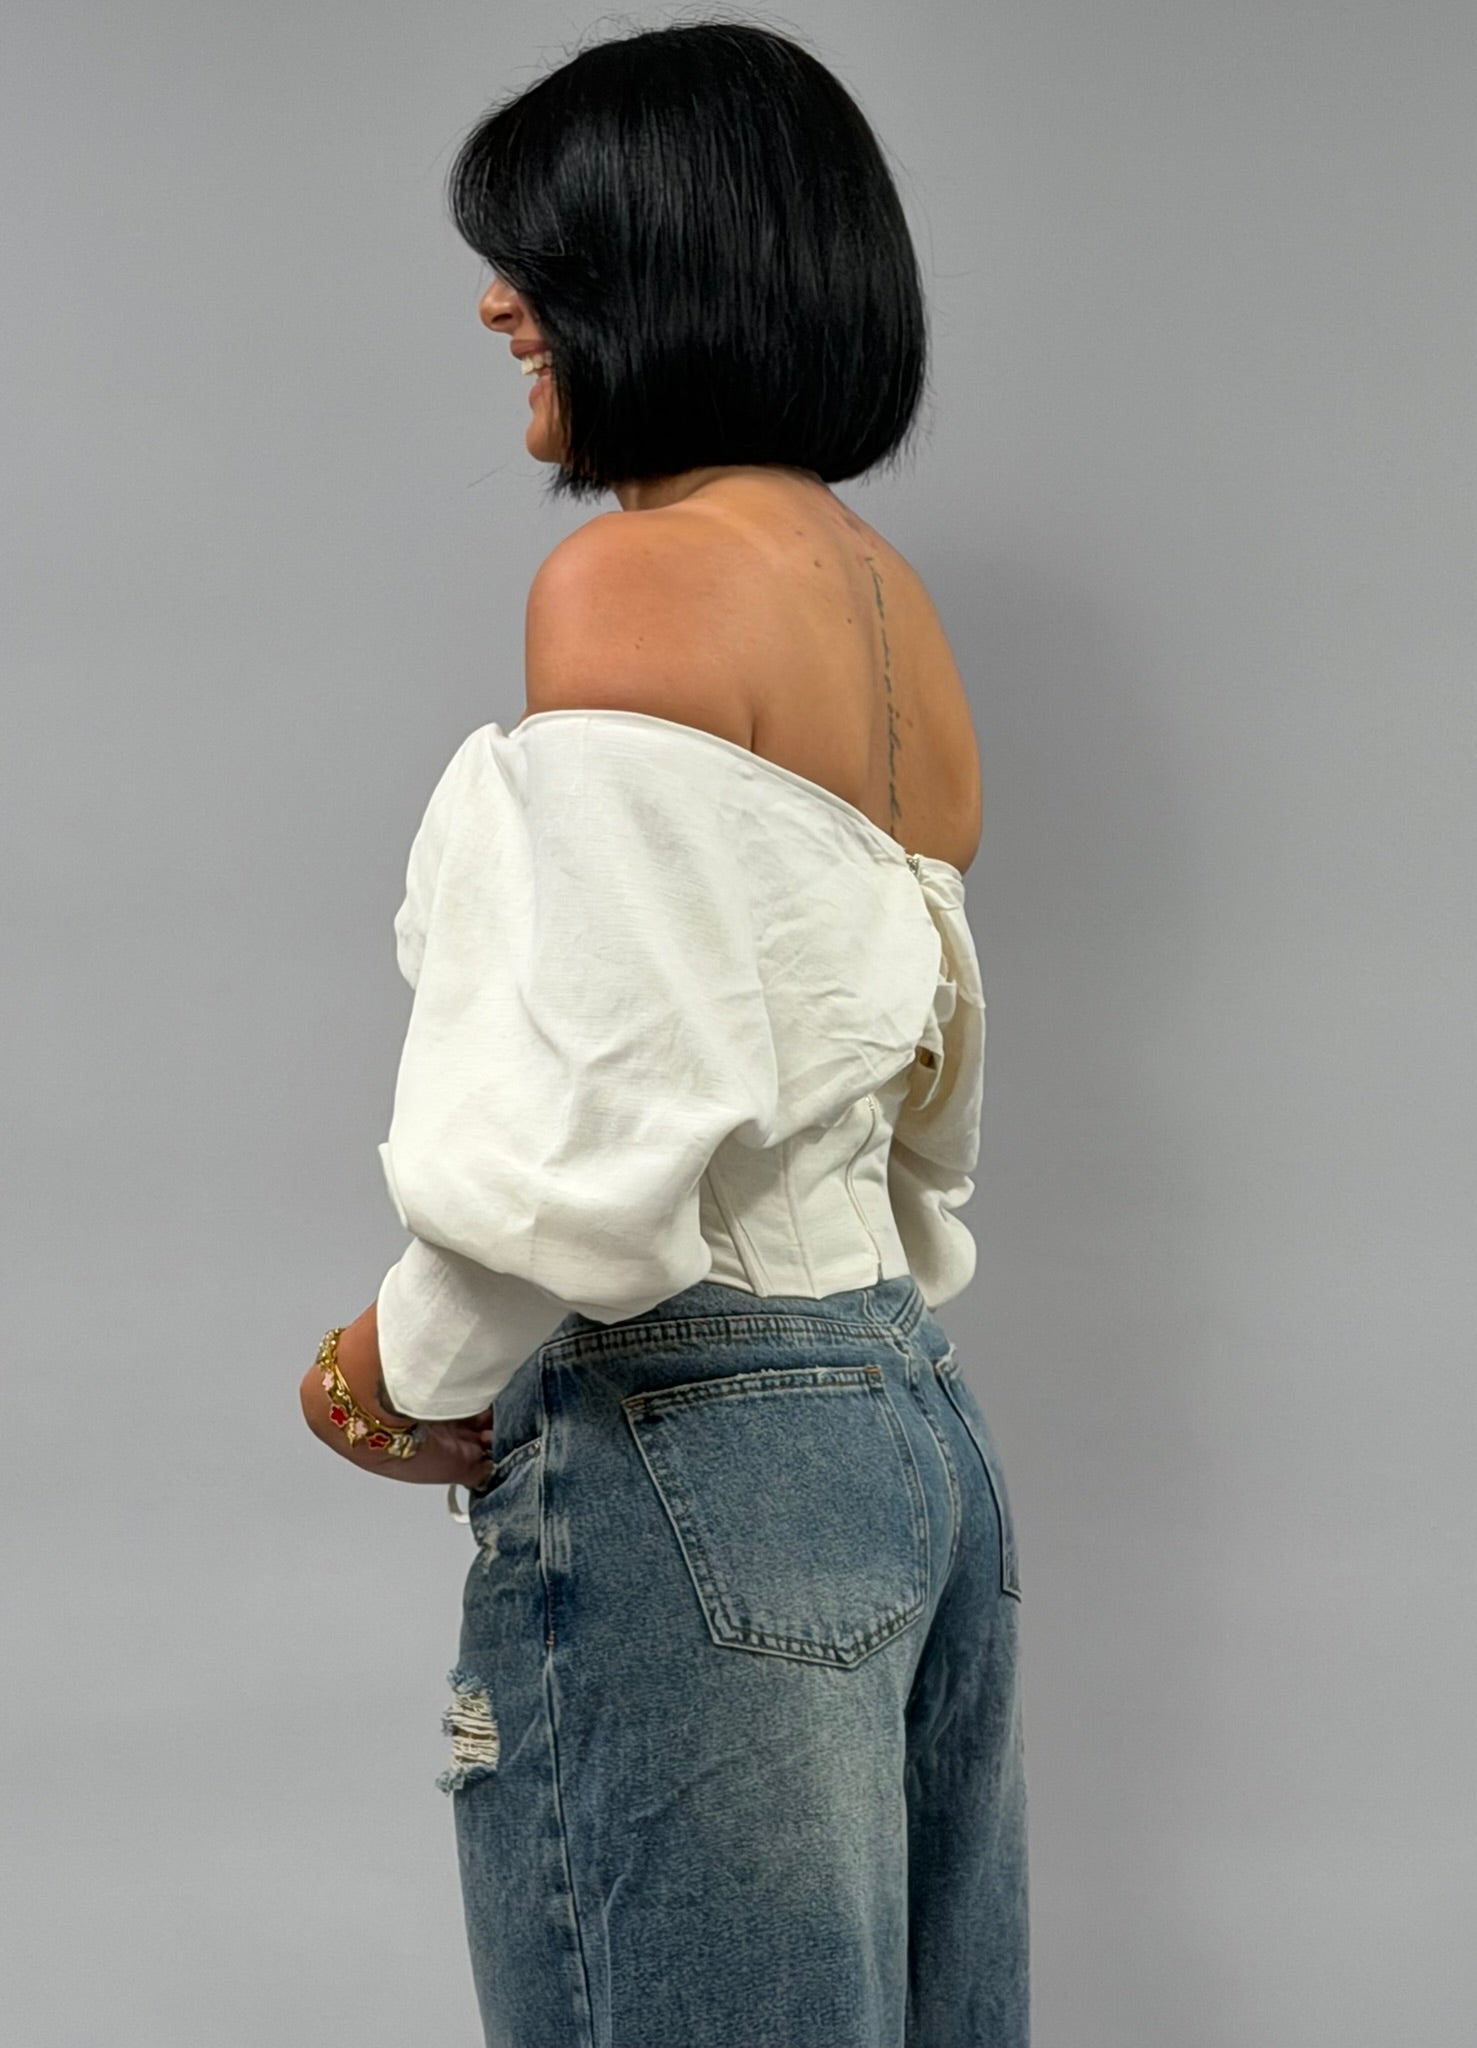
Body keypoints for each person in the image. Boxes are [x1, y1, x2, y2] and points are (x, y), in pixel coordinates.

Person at [298, 19, 1028, 2046]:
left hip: (692, 1439)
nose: (496, 304)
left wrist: (384, 1378)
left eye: (541, 257)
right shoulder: (885, 606)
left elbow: (597, 1113)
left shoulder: (630, 581)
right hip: (902, 1425)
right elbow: (881, 1098)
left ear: (676, 267)